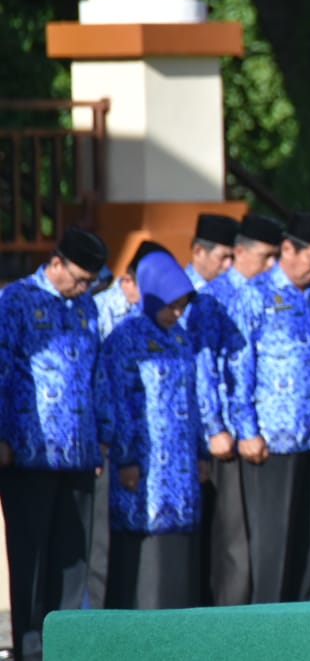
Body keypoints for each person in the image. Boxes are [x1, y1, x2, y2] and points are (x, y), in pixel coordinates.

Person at [0, 227, 111, 659]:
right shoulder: (17, 301)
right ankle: (30, 641)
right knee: (32, 552)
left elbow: (97, 374)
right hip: (29, 451)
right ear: (57, 262)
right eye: (79, 278)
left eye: (90, 282)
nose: (84, 288)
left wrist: (102, 434)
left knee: (72, 555)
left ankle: (68, 643)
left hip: (79, 451)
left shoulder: (86, 306)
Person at [227, 212, 310, 603]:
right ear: (287, 249)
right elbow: (238, 369)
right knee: (274, 542)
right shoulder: (254, 295)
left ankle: (305, 629)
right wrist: (247, 430)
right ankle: (269, 631)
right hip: (274, 438)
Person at [187, 212, 283, 606]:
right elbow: (204, 369)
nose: (227, 266)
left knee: (234, 536)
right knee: (225, 539)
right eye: (224, 257)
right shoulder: (206, 296)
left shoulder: (242, 293)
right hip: (209, 433)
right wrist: (215, 427)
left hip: (228, 431)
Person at [102, 250, 204, 609]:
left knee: (178, 561)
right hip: (143, 467)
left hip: (180, 467)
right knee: (144, 559)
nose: (176, 313)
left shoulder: (181, 337)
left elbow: (194, 399)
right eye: (170, 305)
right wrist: (126, 457)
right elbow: (119, 401)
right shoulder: (125, 338)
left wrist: (201, 452)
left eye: (181, 306)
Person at [88, 238, 169, 609]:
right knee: (97, 549)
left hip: (139, 444)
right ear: (131, 280)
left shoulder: (159, 321)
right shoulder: (100, 312)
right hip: (102, 444)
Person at [184, 213, 238, 292]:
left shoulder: (232, 292)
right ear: (198, 251)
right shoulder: (176, 292)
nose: (228, 265)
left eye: (233, 257)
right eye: (223, 257)